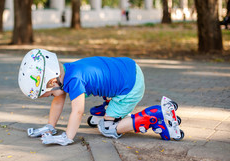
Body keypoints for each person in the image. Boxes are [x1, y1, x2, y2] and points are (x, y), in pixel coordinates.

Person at [18, 49, 157, 146]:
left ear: (53, 82)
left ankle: (153, 116)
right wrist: (50, 126)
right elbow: (58, 101)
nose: (52, 97)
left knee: (107, 127)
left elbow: (78, 111)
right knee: (102, 88)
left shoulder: (74, 80)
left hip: (130, 87)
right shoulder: (66, 71)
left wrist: (67, 137)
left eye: (49, 94)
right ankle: (111, 109)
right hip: (127, 68)